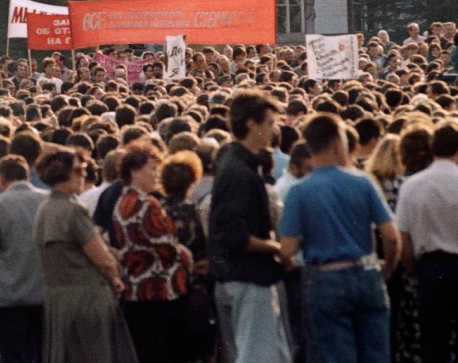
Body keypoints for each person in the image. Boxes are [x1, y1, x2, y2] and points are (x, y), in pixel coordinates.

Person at [279, 113, 400, 363]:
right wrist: (386, 269)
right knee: (377, 354)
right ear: (337, 145)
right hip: (366, 272)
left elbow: (287, 248)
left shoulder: (299, 191)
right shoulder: (363, 183)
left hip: (324, 278)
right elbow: (391, 236)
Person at [208, 90, 291, 363]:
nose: (275, 129)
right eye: (270, 123)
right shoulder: (237, 172)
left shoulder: (240, 165)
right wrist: (276, 247)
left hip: (247, 276)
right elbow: (234, 233)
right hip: (248, 279)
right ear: (251, 124)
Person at [34, 144, 137, 363]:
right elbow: (102, 260)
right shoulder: (73, 210)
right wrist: (114, 278)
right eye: (78, 171)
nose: (84, 174)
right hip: (87, 299)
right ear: (62, 173)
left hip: (59, 300)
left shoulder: (45, 209)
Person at [114, 142, 193, 362]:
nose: (156, 174)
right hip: (161, 289)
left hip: (137, 287)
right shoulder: (147, 204)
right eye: (151, 169)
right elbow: (164, 245)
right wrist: (183, 252)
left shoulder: (122, 201)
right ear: (135, 171)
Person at [395, 119, 458, 363]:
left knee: (433, 340)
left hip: (431, 269)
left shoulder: (412, 185)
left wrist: (414, 270)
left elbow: (404, 236)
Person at [0, 153, 48, 363]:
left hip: (7, 296)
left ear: (1, 180)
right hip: (45, 293)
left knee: (12, 356)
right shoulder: (47, 199)